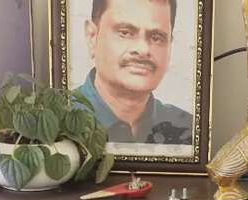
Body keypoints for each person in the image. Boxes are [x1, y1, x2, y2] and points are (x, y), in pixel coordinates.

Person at [79, 0, 192, 145]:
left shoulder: (189, 131)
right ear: (92, 36)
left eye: (156, 38)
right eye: (125, 33)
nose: (143, 49)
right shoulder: (60, 121)